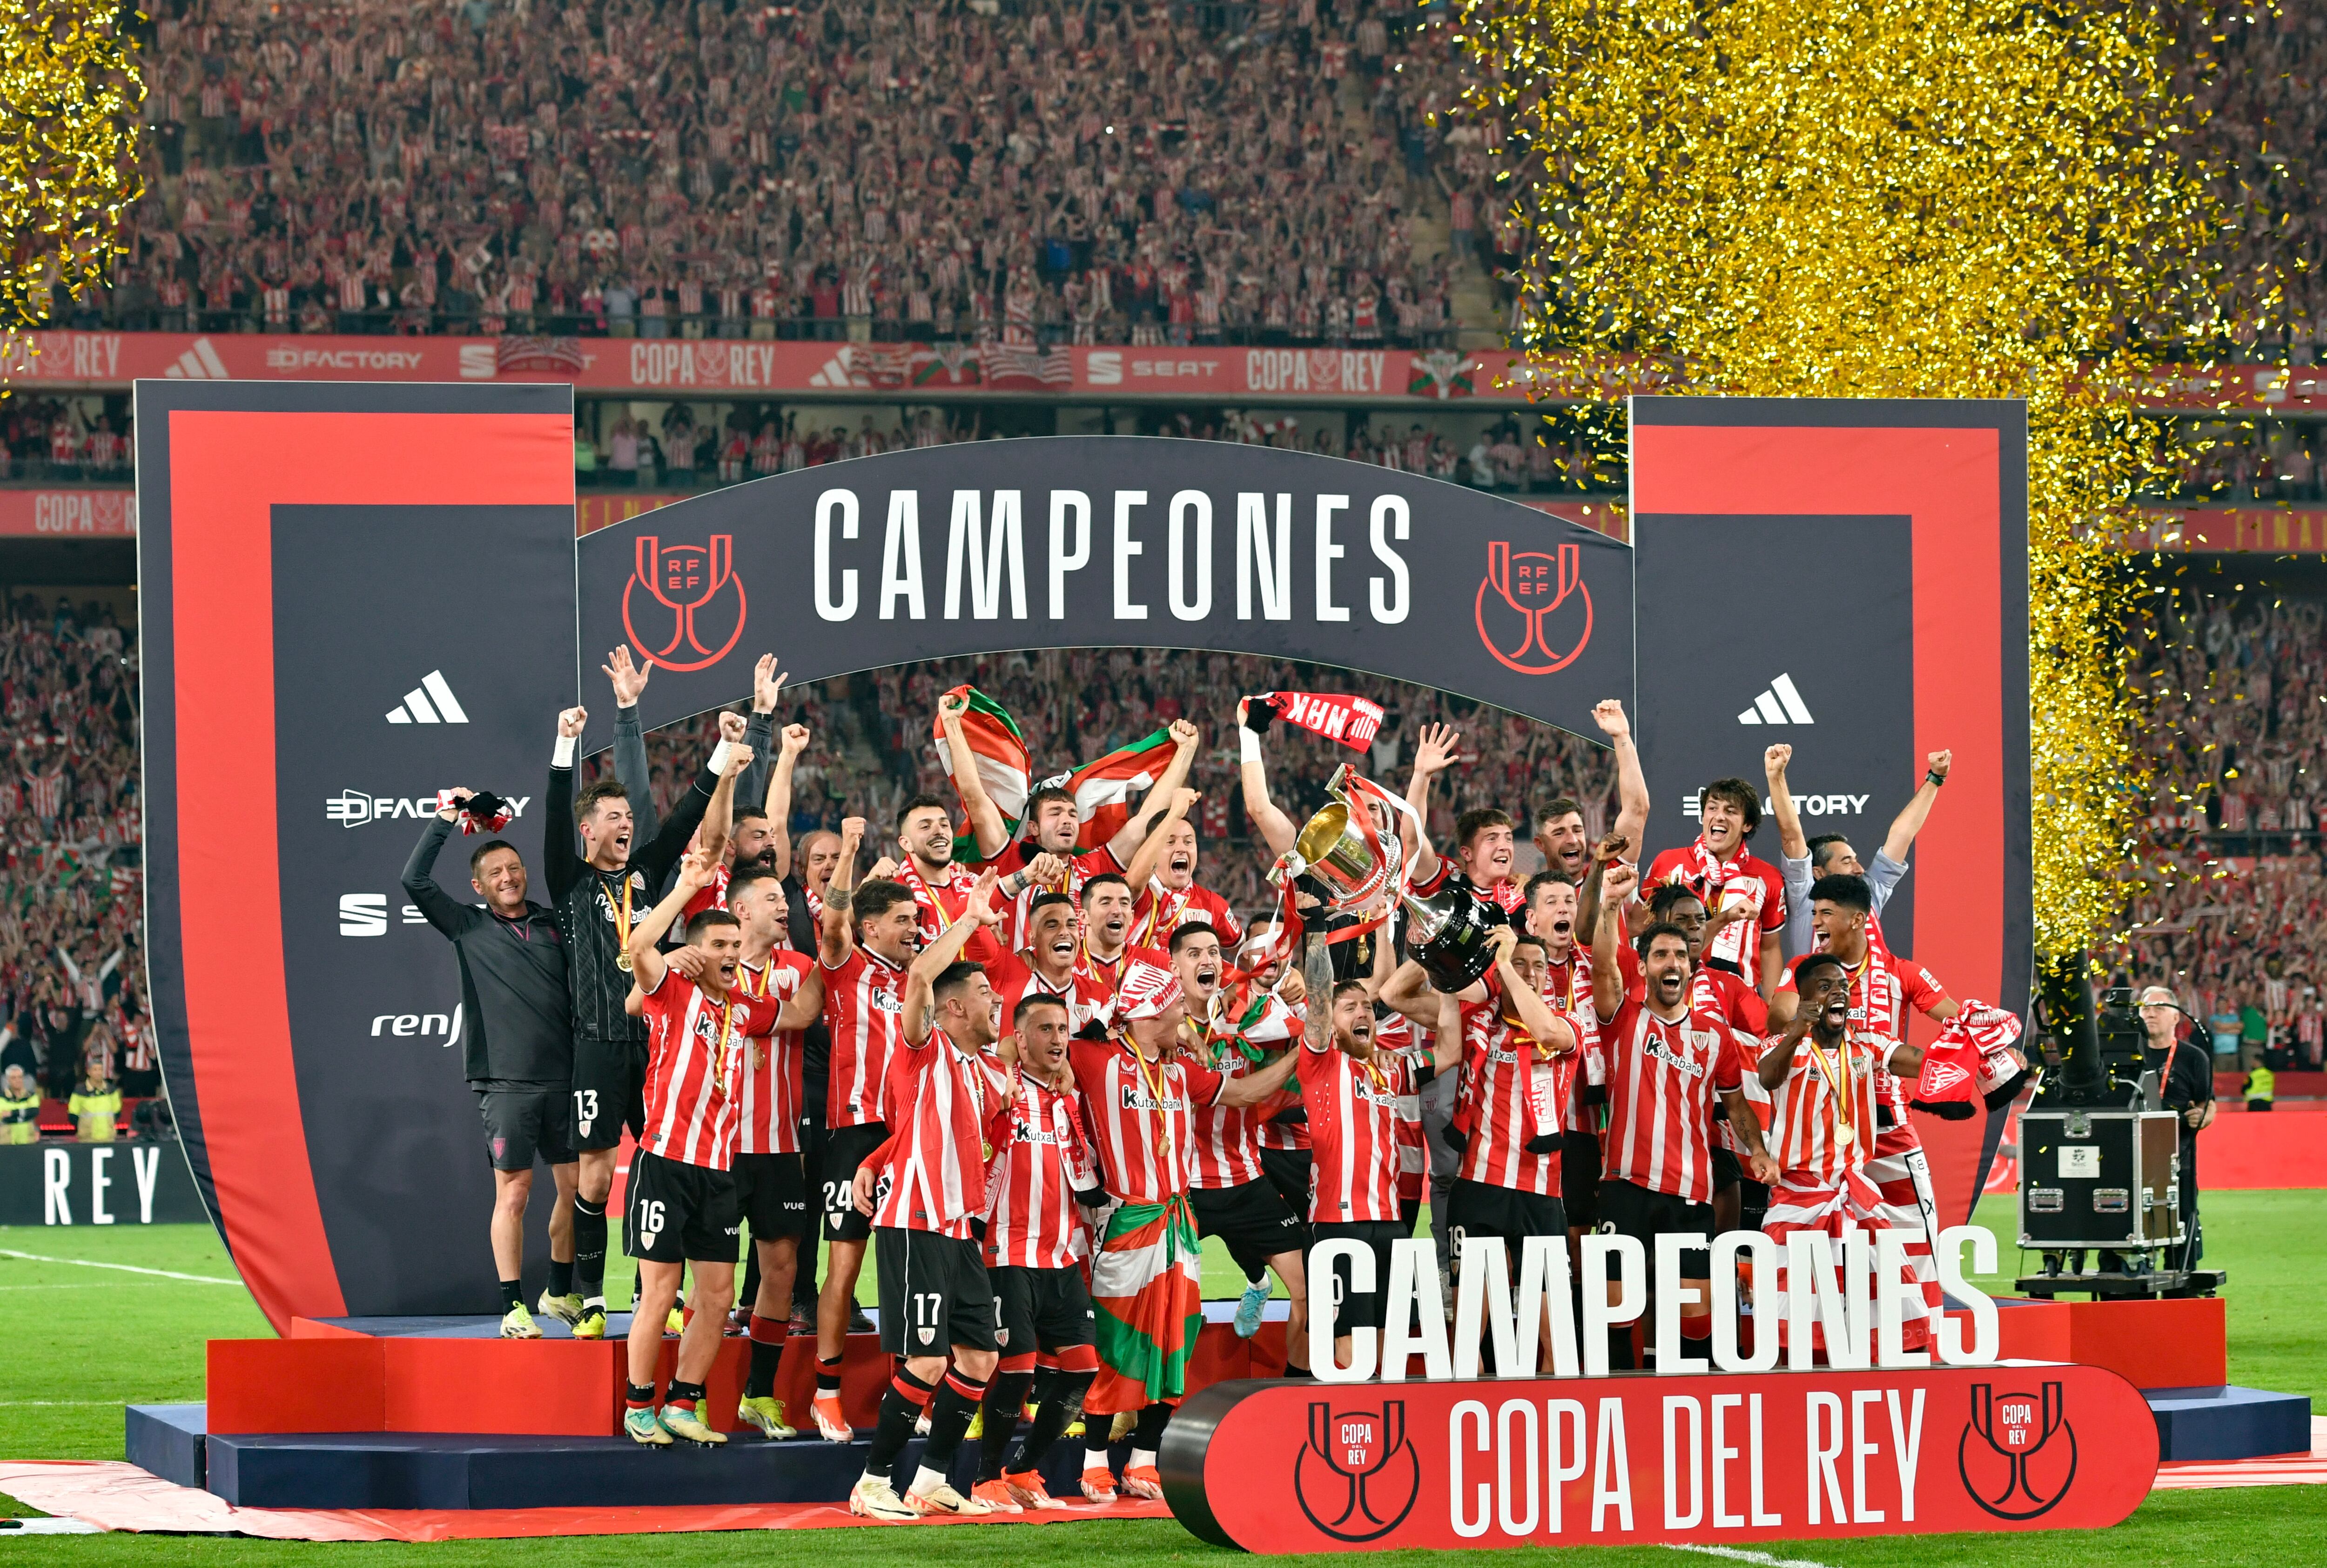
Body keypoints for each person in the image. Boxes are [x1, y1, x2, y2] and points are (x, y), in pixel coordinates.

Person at [1069, 955, 1300, 1503]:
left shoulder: (1179, 1071)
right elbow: (1035, 1039)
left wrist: (1299, 1055)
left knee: (1177, 1338)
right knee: (1121, 1345)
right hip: (1126, 1220)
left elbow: (1244, 1094)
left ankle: (1144, 1460)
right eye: (1173, 1005)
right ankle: (1094, 1460)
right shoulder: (1096, 1059)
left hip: (1179, 1221)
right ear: (1149, 1014)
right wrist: (1106, 1014)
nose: (1182, 1014)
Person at [545, 697, 741, 1339]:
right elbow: (553, 814)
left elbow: (687, 813)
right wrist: (563, 746)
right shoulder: (570, 879)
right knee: (597, 1178)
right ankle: (592, 1298)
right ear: (588, 830)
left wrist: (721, 749)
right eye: (612, 817)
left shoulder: (650, 873)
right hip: (599, 1045)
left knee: (669, 1165)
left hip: (659, 1045)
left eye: (630, 816)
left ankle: (662, 1291)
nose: (626, 824)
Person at [843, 868, 1015, 1520]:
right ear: (953, 1008)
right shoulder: (924, 1046)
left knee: (978, 1354)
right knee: (927, 1356)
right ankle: (872, 1480)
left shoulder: (981, 1073)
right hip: (915, 1221)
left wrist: (875, 1155)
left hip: (958, 1229)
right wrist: (970, 918)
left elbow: (918, 1130)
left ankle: (933, 1477)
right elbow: (918, 978)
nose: (995, 1005)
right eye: (984, 995)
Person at [618, 837, 782, 1446]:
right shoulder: (671, 990)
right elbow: (637, 948)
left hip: (719, 1171)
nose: (731, 955)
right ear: (695, 950)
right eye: (719, 946)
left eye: (736, 947)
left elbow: (800, 1009)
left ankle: (683, 1403)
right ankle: (639, 1406)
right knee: (660, 1291)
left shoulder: (741, 1007)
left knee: (715, 1296)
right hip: (664, 1161)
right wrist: (687, 890)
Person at [404, 792, 578, 1340]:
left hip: (566, 1080)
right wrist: (445, 818)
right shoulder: (467, 926)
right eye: (495, 872)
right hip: (505, 1085)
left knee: (579, 1194)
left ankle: (558, 1289)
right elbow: (415, 881)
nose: (508, 877)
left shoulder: (556, 926)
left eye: (514, 868)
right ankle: (512, 1307)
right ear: (478, 887)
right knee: (516, 1194)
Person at [1590, 864, 1777, 1369]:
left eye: (1678, 954)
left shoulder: (1713, 1039)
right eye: (1658, 955)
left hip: (1690, 1194)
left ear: (1690, 968)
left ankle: (1684, 1406)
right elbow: (1604, 965)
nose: (1670, 962)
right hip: (1624, 1186)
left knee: (1693, 1316)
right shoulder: (1621, 1019)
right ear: (1644, 967)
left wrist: (1757, 1150)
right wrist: (1609, 905)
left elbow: (1735, 1106)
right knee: (1615, 1311)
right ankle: (1616, 1403)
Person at [1296, 919, 1467, 1369]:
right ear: (1328, 1025)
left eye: (1366, 1007)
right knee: (1347, 1354)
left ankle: (1376, 1430)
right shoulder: (1321, 1064)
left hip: (1390, 1224)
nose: (1362, 1013)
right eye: (1348, 1007)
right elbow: (1317, 997)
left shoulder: (1394, 1070)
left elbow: (1449, 1052)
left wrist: (1448, 985)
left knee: (1385, 1348)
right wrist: (1314, 929)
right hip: (1337, 1226)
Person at [1756, 955, 1940, 1354]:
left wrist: (1981, 1061)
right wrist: (1796, 1031)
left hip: (1856, 1197)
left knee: (1897, 1312)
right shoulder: (1785, 1046)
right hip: (1797, 1200)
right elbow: (1768, 1075)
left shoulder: (1868, 1044)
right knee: (1790, 1324)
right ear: (1803, 1000)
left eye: (1843, 986)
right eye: (1825, 987)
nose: (1839, 992)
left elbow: (1919, 1061)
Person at [969, 992, 1105, 1512]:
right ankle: (985, 1479)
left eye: (1061, 1030)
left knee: (1082, 1368)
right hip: (1006, 1253)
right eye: (1043, 1030)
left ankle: (1023, 1470)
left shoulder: (1069, 1100)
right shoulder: (997, 1086)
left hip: (1060, 1255)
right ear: (1018, 1040)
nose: (1056, 1039)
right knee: (1018, 1368)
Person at [809, 817, 917, 1442]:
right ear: (872, 926)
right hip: (853, 1135)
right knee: (845, 1268)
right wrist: (850, 849)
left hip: (907, 1139)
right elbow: (831, 917)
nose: (913, 930)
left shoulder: (918, 979)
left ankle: (916, 1386)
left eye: (915, 920)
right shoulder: (846, 963)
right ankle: (827, 1393)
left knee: (908, 1268)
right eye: (902, 921)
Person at [1173, 922, 1313, 1362]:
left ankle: (1295, 1393)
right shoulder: (1159, 1025)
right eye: (1193, 953)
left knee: (1308, 1289)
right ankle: (1162, 1410)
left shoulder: (1255, 1014)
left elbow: (1315, 1021)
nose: (1207, 960)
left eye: (1214, 951)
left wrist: (1302, 990)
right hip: (1184, 1188)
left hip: (1247, 1179)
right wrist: (1183, 1031)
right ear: (1173, 966)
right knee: (1178, 1308)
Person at [723, 868, 826, 1438]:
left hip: (783, 1145)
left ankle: (759, 1393)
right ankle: (686, 1397)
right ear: (740, 911)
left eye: (784, 899)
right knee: (711, 1276)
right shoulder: (710, 965)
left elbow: (810, 1008)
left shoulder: (800, 969)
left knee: (781, 1271)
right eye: (770, 900)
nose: (783, 907)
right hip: (721, 1144)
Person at [1765, 743, 1950, 959]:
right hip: (1815, 991)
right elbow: (1791, 837)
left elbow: (1902, 834)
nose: (1859, 869)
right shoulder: (1805, 899)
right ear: (1819, 873)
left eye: (1855, 860)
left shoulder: (1868, 893)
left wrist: (1936, 778)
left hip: (1873, 992)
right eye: (1846, 861)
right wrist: (1776, 776)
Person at [1641, 776, 1788, 998]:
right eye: (1712, 808)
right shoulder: (1668, 863)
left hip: (1740, 1001)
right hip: (1675, 997)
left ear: (1747, 824)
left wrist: (1771, 1008)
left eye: (1730, 811)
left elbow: (1769, 949)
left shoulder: (1768, 878)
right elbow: (1639, 929)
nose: (1719, 816)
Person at [2136, 984, 2215, 1265]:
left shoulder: (2194, 1058)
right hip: (2131, 1163)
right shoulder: (2127, 1056)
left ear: (2176, 1017)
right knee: (2127, 1235)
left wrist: (2203, 1117)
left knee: (2182, 1232)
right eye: (2146, 1008)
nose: (2151, 1014)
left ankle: (2182, 1294)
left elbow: (2207, 1103)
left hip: (2178, 1161)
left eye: (2159, 1008)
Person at [70, 1066, 120, 1142]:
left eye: (101, 1070)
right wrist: (83, 1129)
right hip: (87, 1139)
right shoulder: (80, 1091)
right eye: (95, 1070)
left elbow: (117, 1112)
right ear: (89, 1072)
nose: (98, 1072)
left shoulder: (111, 1090)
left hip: (108, 1139)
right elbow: (73, 1115)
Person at [1, 1065, 37, 1145]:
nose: (18, 1080)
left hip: (28, 1141)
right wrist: (24, 1116)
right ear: (8, 1080)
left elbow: (34, 1112)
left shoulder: (31, 1096)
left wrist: (13, 1113)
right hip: (7, 1142)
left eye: (20, 1077)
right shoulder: (2, 1098)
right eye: (14, 1078)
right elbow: (4, 1118)